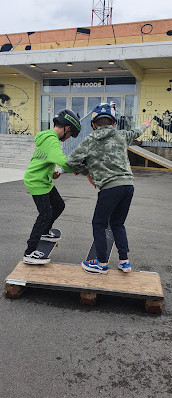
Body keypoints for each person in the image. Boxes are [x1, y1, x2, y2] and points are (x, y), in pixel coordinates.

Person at [66, 103, 150, 274]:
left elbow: (70, 162)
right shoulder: (121, 135)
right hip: (128, 186)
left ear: (93, 124)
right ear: (113, 123)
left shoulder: (89, 140)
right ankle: (124, 262)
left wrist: (85, 171)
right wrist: (145, 124)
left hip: (110, 188)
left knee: (99, 223)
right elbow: (136, 132)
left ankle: (101, 264)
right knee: (118, 223)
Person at [23, 109, 81, 265]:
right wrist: (77, 168)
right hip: (37, 182)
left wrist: (52, 172)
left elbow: (43, 159)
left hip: (44, 179)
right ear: (67, 128)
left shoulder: (49, 137)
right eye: (71, 135)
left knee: (59, 205)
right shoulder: (52, 140)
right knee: (44, 215)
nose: (68, 138)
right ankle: (29, 252)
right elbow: (63, 161)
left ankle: (45, 232)